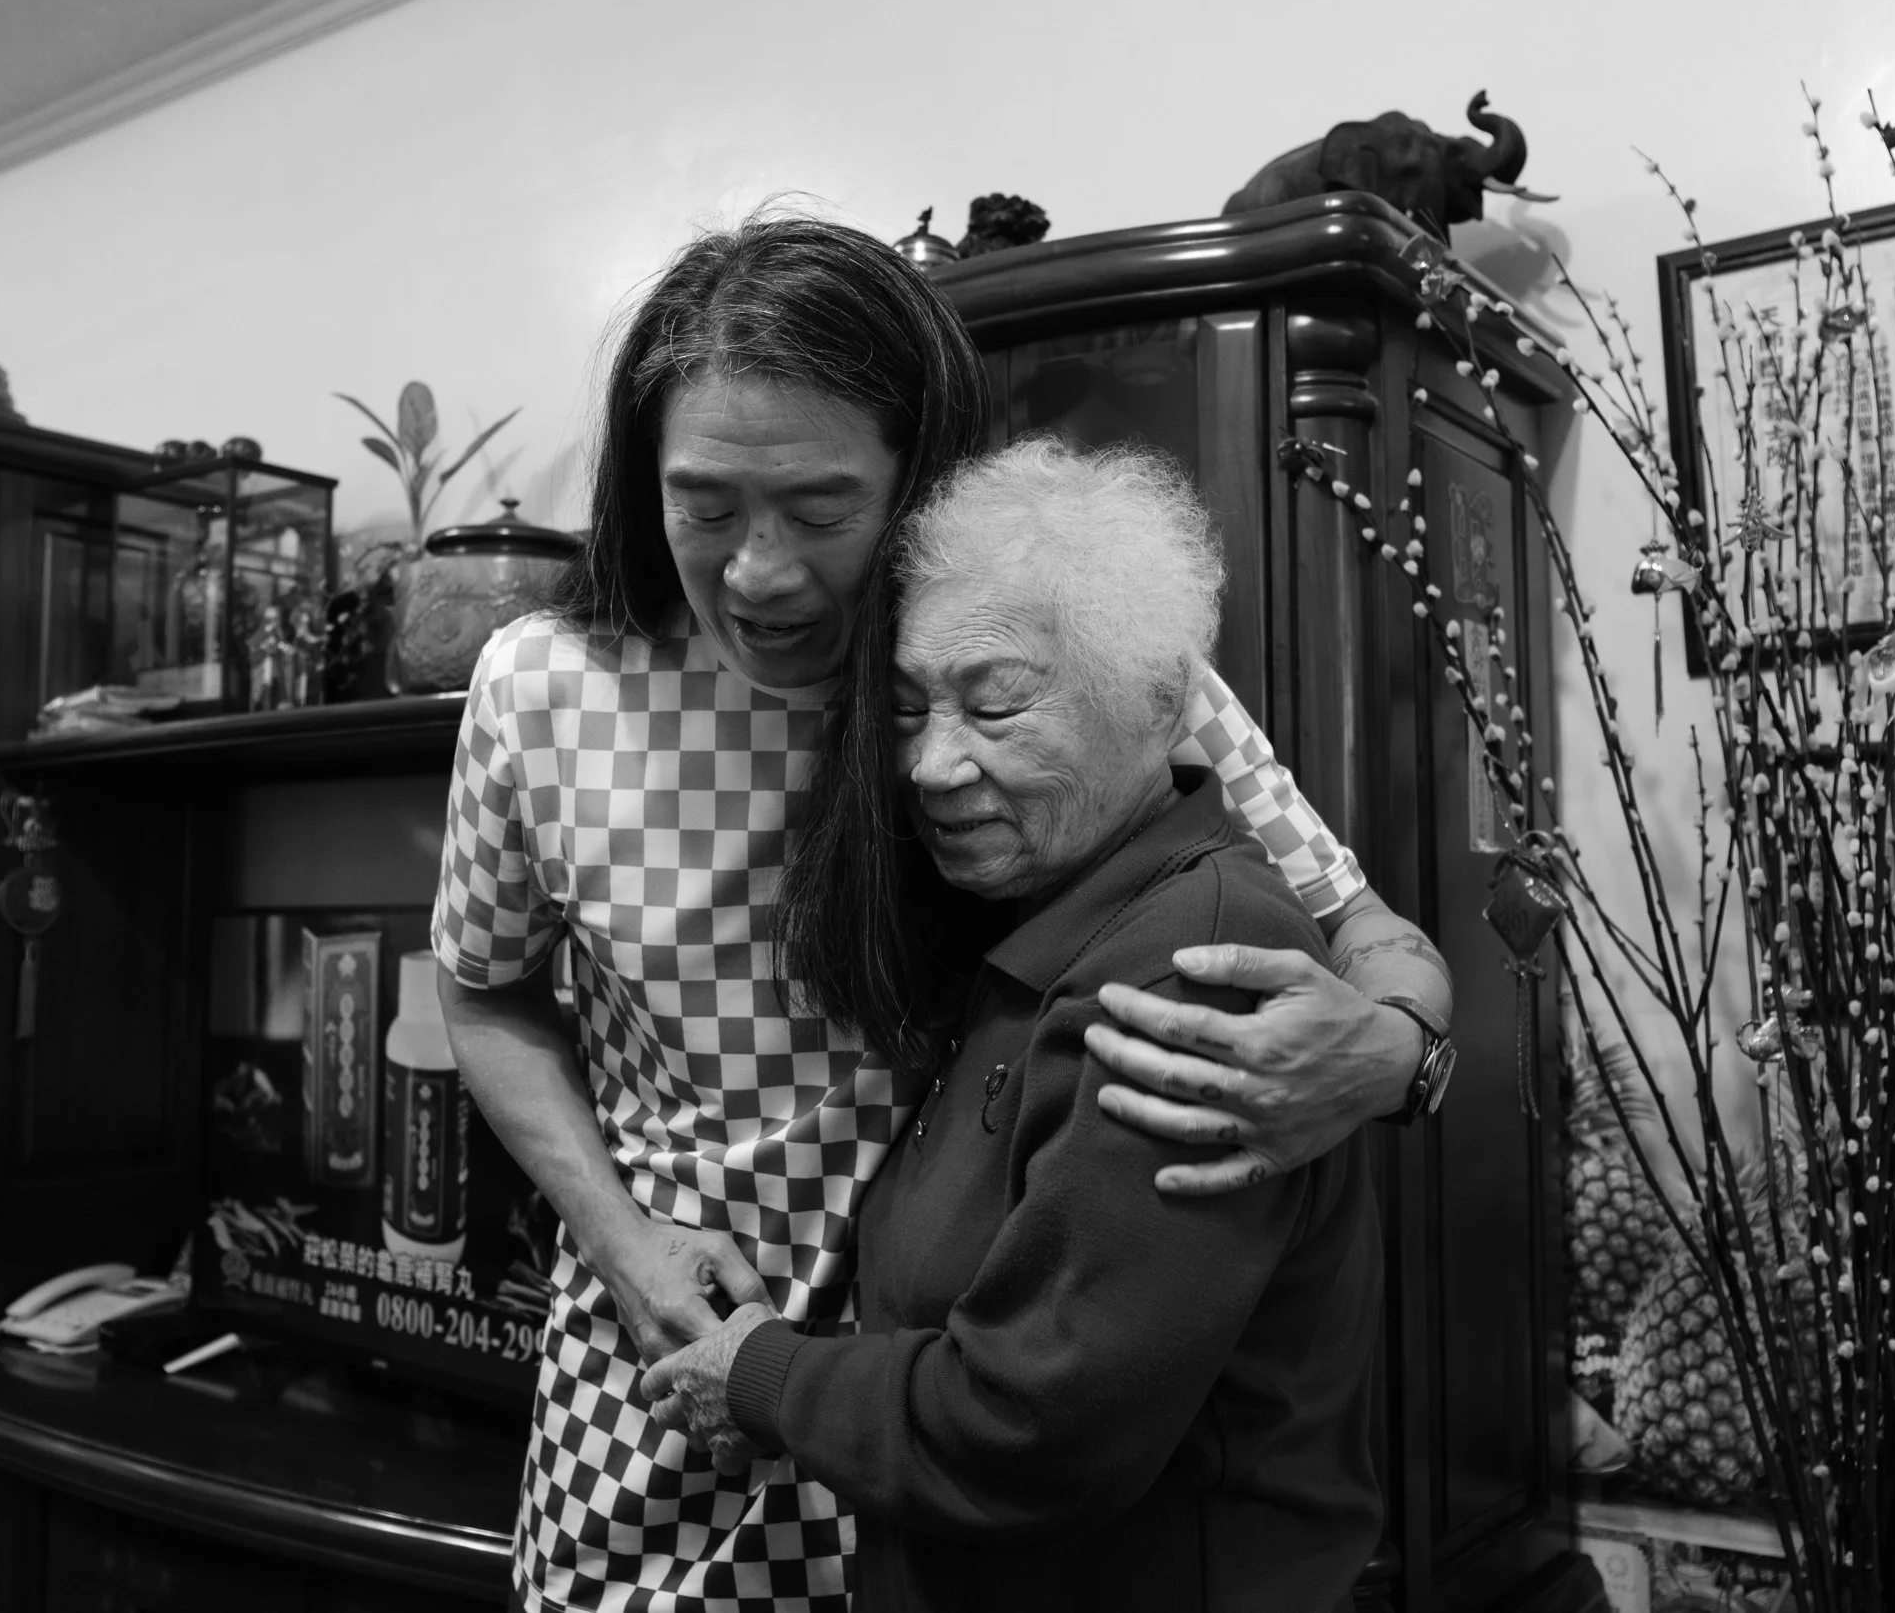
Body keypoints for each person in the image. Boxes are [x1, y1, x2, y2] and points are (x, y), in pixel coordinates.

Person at [432, 214, 1446, 1613]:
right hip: (665, 1366)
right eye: (706, 507)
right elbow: (478, 990)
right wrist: (623, 1238)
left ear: (916, 476)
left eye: (823, 510)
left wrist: (1393, 1050)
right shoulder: (542, 688)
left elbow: (1365, 929)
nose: (762, 572)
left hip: (967, 1390)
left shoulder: (1024, 645)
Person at [641, 439, 1381, 1613]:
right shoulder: (1032, 920)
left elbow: (1035, 1424)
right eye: (905, 708)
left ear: (1154, 703)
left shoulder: (1192, 965)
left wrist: (764, 1376)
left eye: (995, 704)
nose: (931, 763)